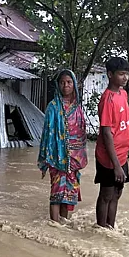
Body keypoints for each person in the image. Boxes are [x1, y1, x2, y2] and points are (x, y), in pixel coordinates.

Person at [38, 69, 88, 223]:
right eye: (62, 82)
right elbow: (47, 134)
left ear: (74, 84)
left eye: (69, 82)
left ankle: (63, 227)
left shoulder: (77, 108)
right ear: (58, 85)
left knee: (68, 196)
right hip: (57, 158)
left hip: (74, 160)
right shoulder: (53, 107)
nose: (66, 85)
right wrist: (48, 157)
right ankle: (54, 225)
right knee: (57, 194)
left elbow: (81, 133)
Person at [94, 57, 129, 229]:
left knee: (117, 193)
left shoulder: (123, 94)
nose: (125, 78)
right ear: (110, 75)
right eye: (121, 74)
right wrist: (116, 165)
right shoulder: (107, 100)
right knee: (106, 194)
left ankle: (111, 227)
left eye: (127, 74)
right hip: (109, 158)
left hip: (122, 155)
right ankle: (101, 228)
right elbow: (106, 133)